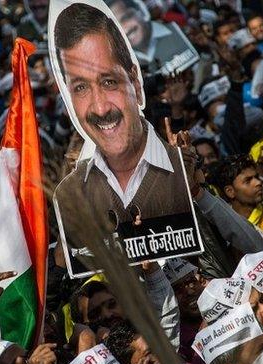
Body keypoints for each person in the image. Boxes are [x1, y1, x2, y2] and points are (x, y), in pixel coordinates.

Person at [52, 3, 193, 247]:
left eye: (109, 82)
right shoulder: (70, 196)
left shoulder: (184, 170)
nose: (100, 108)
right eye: (81, 88)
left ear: (136, 85)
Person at [208, 155, 263, 236]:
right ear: (230, 191)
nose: (258, 182)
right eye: (248, 181)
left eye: (257, 177)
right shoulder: (225, 232)